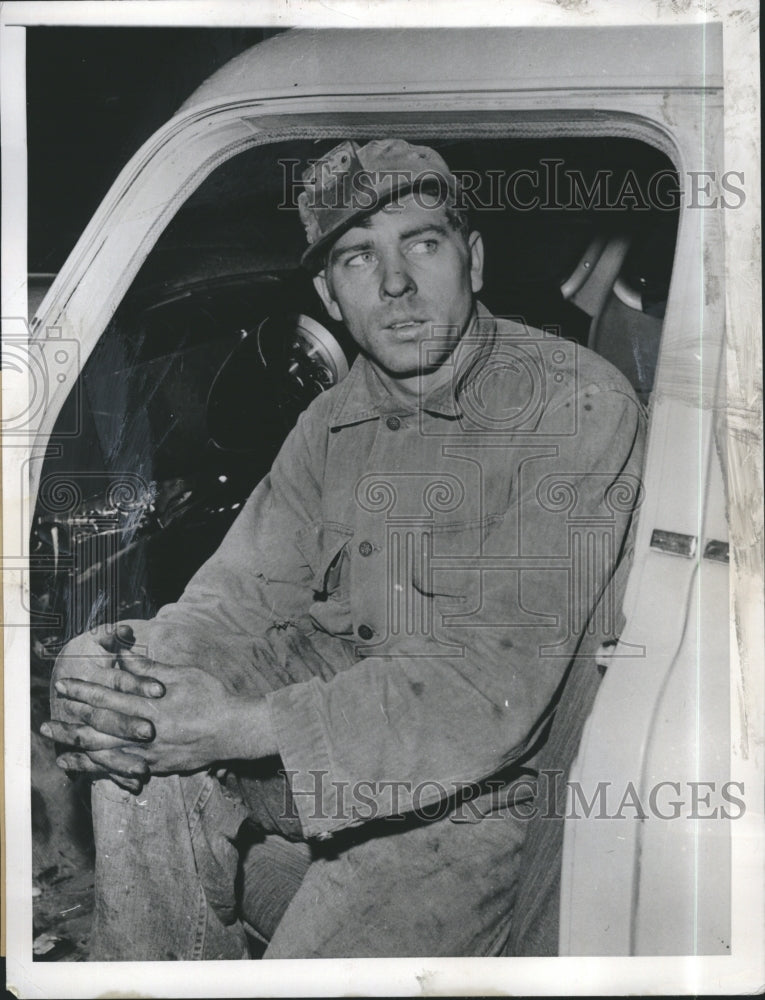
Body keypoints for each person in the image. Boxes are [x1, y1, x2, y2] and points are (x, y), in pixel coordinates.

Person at [42, 138, 646, 959]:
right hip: (318, 732)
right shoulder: (330, 421)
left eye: (421, 244)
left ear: (471, 259)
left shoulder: (570, 406)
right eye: (359, 258)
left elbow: (488, 693)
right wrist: (122, 662)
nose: (394, 284)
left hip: (468, 804)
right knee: (134, 726)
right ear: (329, 294)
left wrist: (237, 727)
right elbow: (237, 597)